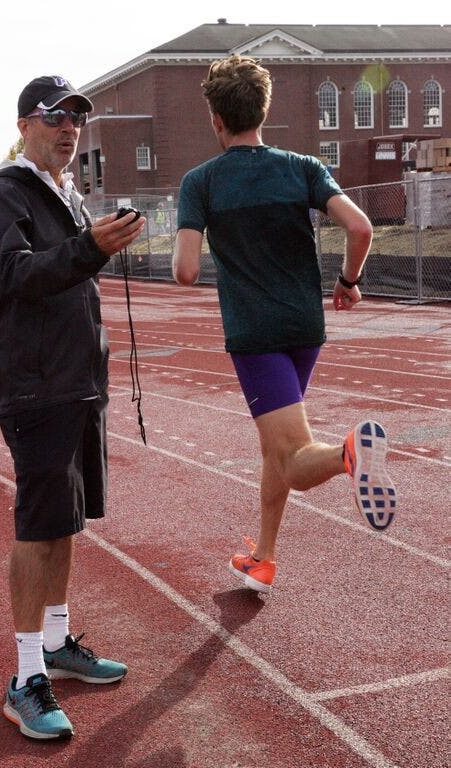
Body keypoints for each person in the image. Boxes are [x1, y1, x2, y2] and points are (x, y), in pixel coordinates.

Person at [173, 56, 397, 595]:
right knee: (277, 445)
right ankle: (264, 556)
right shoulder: (302, 167)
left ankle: (351, 452)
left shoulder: (200, 182)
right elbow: (361, 227)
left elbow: (182, 271)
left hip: (255, 334)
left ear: (214, 119)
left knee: (294, 458)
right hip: (304, 325)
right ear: (263, 111)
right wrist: (347, 281)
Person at [0, 75, 145, 740]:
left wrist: (87, 244)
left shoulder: (64, 196)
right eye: (54, 118)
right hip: (37, 388)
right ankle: (24, 677)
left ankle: (55, 644)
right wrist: (88, 248)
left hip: (76, 385)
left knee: (65, 522)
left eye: (75, 118)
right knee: (37, 529)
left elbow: (69, 280)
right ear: (24, 125)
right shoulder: (2, 194)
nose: (68, 128)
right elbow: (14, 274)